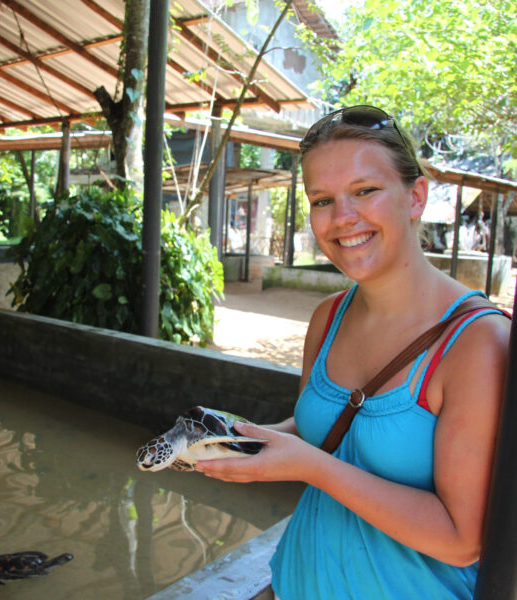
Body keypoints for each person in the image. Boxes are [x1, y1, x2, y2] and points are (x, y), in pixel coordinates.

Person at [194, 105, 511, 599]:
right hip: (296, 581)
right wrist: (246, 440)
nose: (343, 218)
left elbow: (460, 540)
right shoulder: (327, 318)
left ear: (415, 196)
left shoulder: (477, 344)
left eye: (365, 191)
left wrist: (307, 466)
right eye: (322, 200)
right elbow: (329, 428)